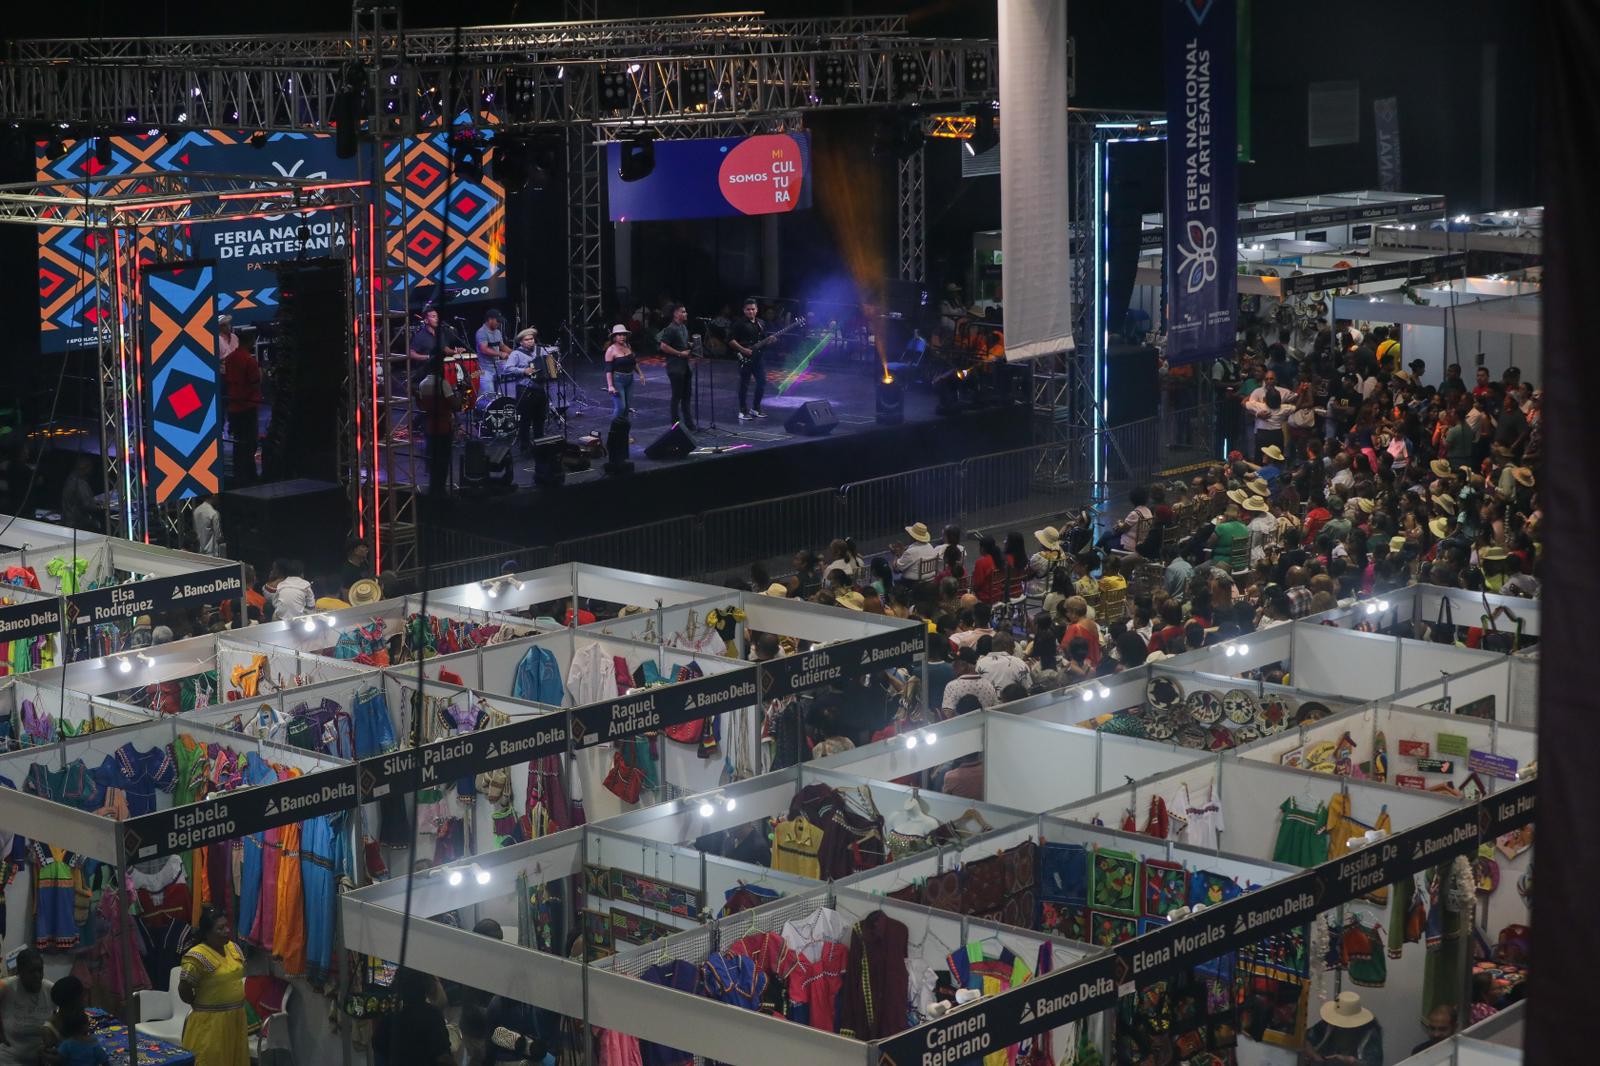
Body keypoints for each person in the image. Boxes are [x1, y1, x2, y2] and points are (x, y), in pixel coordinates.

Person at [177, 907, 248, 1066]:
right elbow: (184, 988)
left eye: (226, 926)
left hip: (235, 1019)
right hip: (211, 1023)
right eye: (220, 928)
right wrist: (199, 1004)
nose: (226, 931)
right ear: (207, 932)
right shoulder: (197, 956)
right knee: (210, 1059)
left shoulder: (233, 948)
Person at [374, 968, 453, 1066]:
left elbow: (379, 1047)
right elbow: (443, 1055)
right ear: (425, 987)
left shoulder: (390, 1011)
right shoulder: (432, 1015)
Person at [414, 339, 458, 497]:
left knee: (432, 457)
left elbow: (421, 406)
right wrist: (456, 393)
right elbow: (455, 405)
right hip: (443, 426)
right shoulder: (442, 383)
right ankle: (441, 489)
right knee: (443, 459)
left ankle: (434, 488)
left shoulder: (423, 384)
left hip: (429, 426)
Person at [0, 948, 53, 1066]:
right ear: (20, 972)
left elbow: (69, 1013)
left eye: (40, 970)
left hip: (41, 1058)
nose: (37, 976)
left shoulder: (49, 989)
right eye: (32, 972)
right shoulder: (7, 987)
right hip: (9, 1059)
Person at [222, 332, 262, 486]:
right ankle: (250, 476)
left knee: (238, 444)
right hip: (248, 406)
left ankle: (239, 474)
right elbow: (255, 383)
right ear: (250, 341)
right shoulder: (249, 360)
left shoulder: (230, 358)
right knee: (250, 443)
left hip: (234, 407)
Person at [1300, 991, 1382, 1066]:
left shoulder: (1370, 1034)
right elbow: (1305, 1039)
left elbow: (1374, 1063)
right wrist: (1316, 1057)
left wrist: (1348, 1060)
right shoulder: (1329, 1024)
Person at [657, 302, 699, 431]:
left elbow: (681, 343)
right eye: (683, 311)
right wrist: (680, 353)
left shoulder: (683, 328)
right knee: (677, 396)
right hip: (675, 367)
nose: (685, 314)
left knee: (687, 396)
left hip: (685, 367)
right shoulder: (671, 328)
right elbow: (663, 346)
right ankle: (675, 425)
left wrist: (690, 345)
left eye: (685, 311)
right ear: (676, 314)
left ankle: (689, 423)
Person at [729, 297, 769, 421]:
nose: (750, 312)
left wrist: (770, 340)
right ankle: (742, 410)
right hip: (745, 358)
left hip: (758, 358)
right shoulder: (739, 324)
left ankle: (756, 408)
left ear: (757, 310)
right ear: (744, 310)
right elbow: (730, 340)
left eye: (753, 309)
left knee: (762, 383)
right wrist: (743, 349)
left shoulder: (761, 323)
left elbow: (763, 340)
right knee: (744, 384)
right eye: (748, 309)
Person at [940, 646, 998, 716]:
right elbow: (995, 711)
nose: (953, 666)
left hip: (962, 726)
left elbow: (948, 714)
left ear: (963, 665)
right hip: (985, 725)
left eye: (955, 662)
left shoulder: (952, 686)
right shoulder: (989, 685)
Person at [603, 323, 644, 420]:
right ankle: (614, 431)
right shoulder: (611, 350)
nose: (622, 337)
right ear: (614, 337)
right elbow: (608, 369)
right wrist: (610, 386)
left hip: (629, 379)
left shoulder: (627, 346)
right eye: (619, 335)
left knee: (627, 407)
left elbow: (633, 362)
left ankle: (623, 431)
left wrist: (640, 374)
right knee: (621, 407)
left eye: (624, 335)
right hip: (618, 380)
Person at [60, 455, 98, 532]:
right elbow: (87, 505)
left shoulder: (70, 479)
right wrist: (99, 507)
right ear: (86, 468)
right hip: (77, 524)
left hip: (68, 520)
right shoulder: (80, 483)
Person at [192, 492, 224, 556]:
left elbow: (195, 530)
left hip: (199, 549)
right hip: (211, 551)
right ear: (213, 496)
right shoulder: (213, 513)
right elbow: (218, 535)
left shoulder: (196, 511)